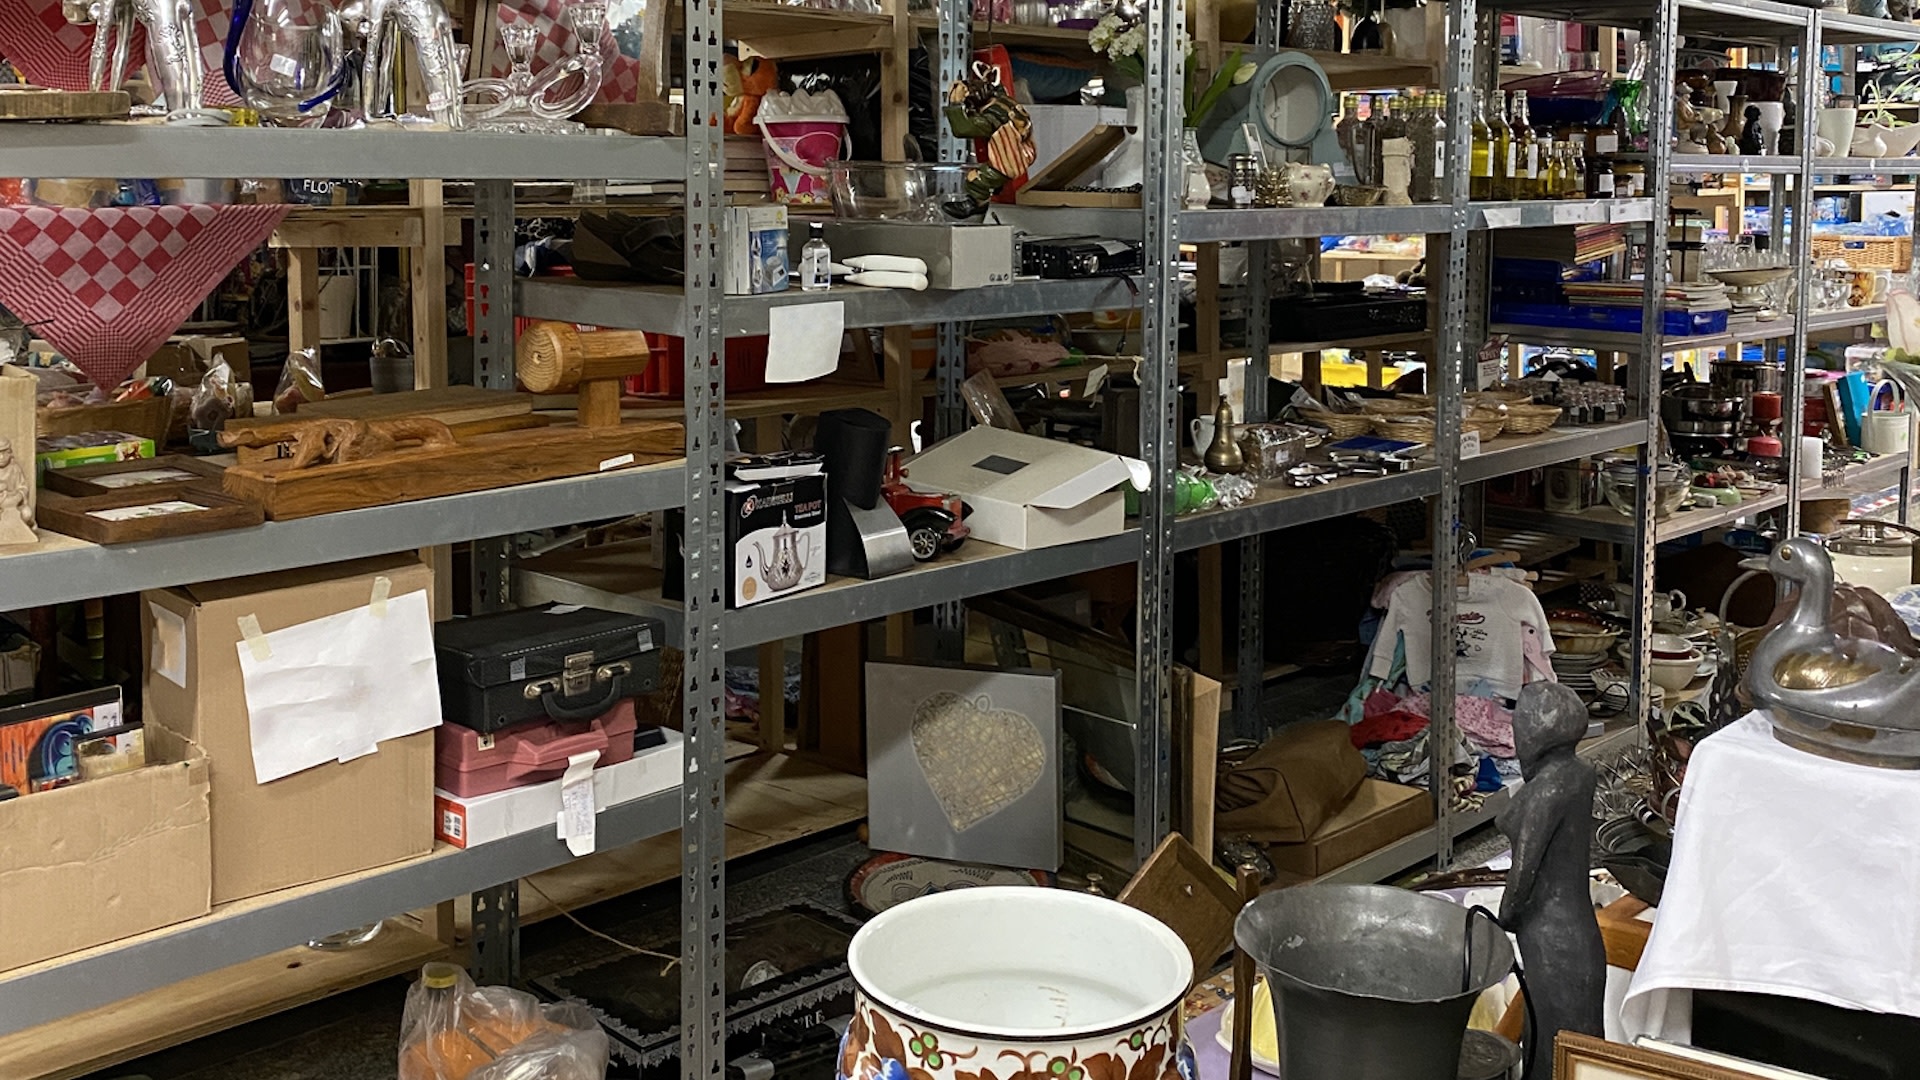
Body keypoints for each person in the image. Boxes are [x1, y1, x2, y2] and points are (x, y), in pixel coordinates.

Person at [1498, 681, 1604, 1078]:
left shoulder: (1548, 788)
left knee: (1555, 1042)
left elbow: (1525, 868)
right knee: (1566, 1039)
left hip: (1550, 931)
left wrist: (1505, 917)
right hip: (1575, 927)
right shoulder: (1579, 773)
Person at [0, 437, 34, 545]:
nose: (1, 457)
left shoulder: (15, 468)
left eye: (4, 453)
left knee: (26, 513)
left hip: (14, 502)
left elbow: (23, 486)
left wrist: (19, 495)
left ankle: (24, 529)